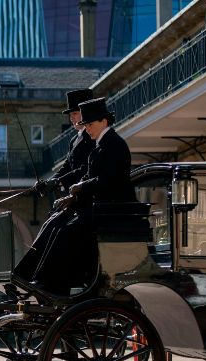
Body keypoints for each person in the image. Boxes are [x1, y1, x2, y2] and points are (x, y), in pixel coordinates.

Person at [28, 97, 137, 294]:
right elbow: (89, 174)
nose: (86, 128)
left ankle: (54, 284)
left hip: (112, 210)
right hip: (101, 208)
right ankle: (41, 278)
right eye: (85, 125)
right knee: (58, 225)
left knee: (67, 230)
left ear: (104, 121)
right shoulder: (100, 145)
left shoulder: (114, 144)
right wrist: (72, 194)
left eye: (90, 124)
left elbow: (108, 180)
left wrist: (81, 186)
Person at [13, 88, 95, 283]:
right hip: (75, 199)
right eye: (72, 115)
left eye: (75, 114)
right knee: (49, 223)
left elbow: (84, 169)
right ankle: (25, 275)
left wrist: (58, 181)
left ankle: (41, 278)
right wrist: (48, 183)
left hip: (85, 199)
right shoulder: (75, 139)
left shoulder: (92, 138)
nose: (72, 119)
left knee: (57, 227)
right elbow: (67, 166)